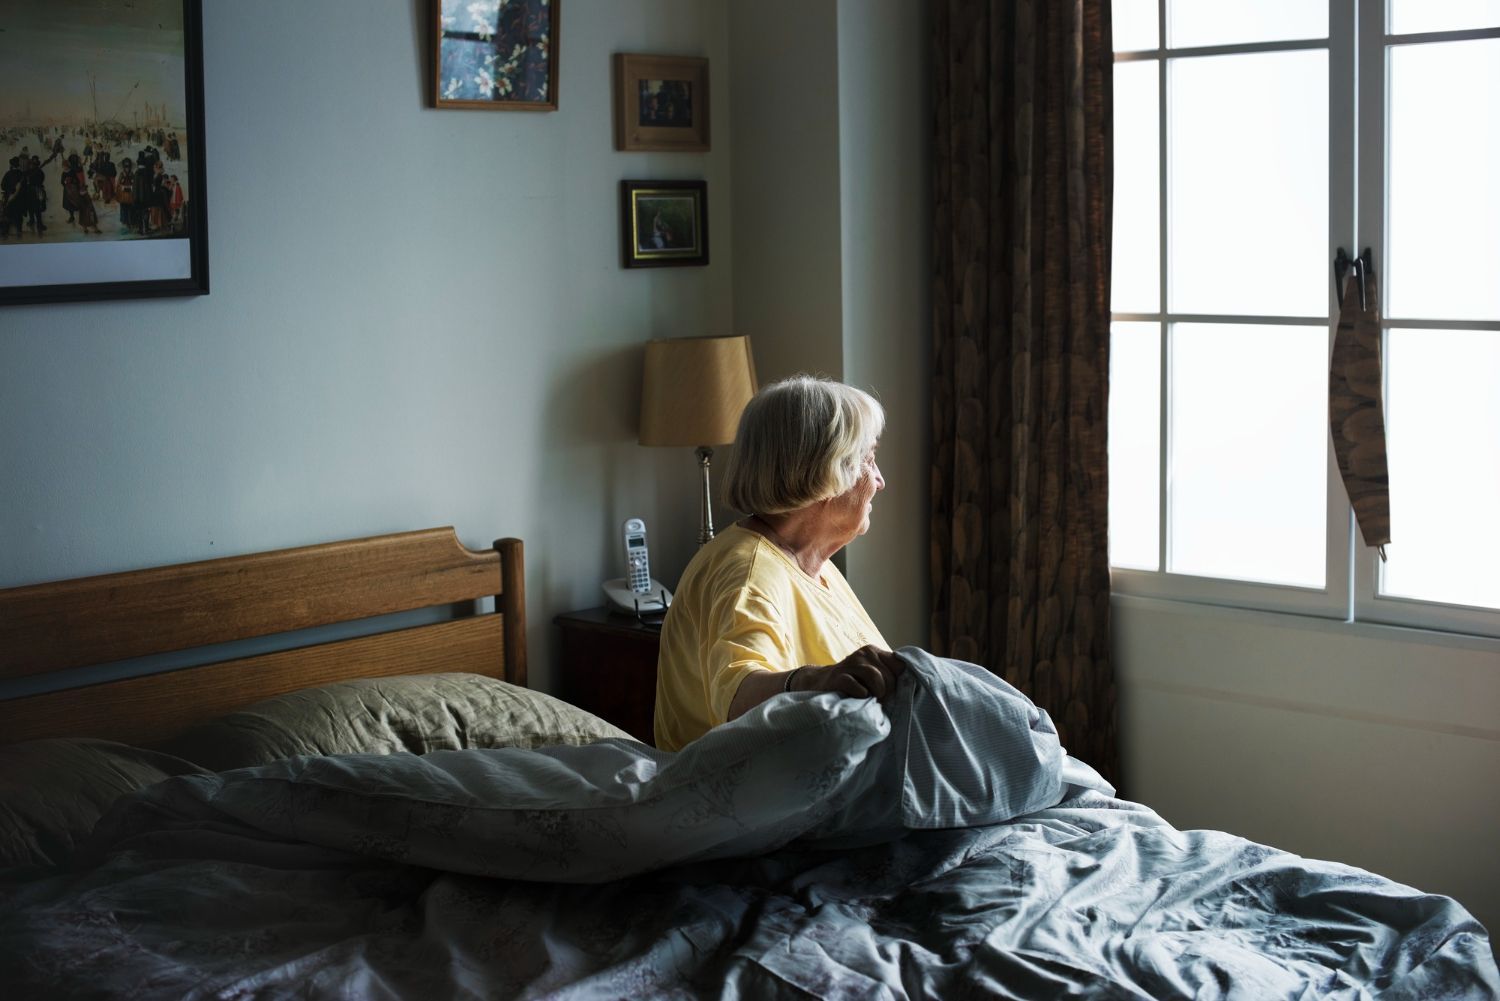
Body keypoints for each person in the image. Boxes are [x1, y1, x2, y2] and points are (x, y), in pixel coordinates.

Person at [653, 375, 906, 751]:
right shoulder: (747, 571)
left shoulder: (813, 565)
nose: (880, 480)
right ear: (826, 470)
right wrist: (819, 682)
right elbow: (738, 698)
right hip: (746, 800)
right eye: (868, 459)